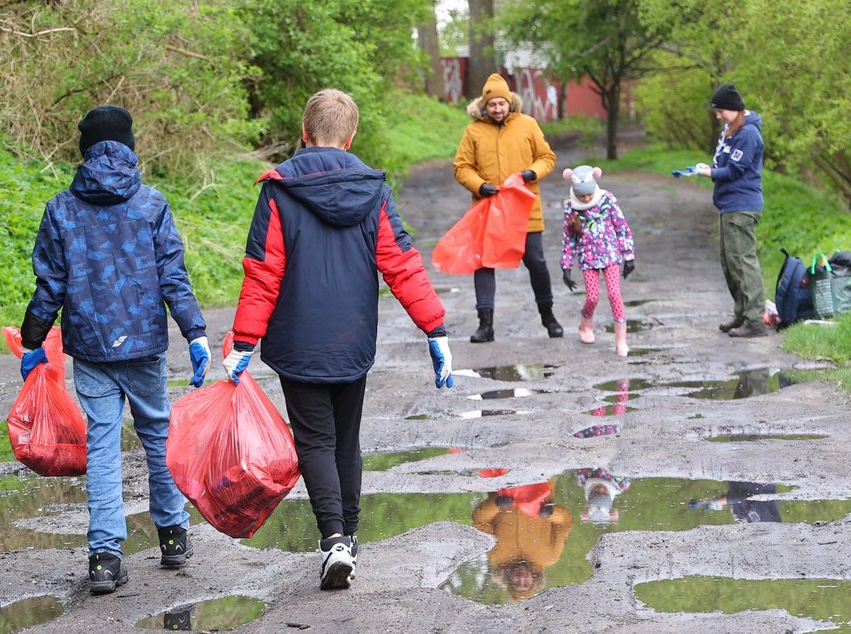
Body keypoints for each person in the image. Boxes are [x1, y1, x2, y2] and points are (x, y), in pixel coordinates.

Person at [223, 89, 454, 591]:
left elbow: (264, 272)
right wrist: (434, 330)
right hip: (352, 340)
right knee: (344, 441)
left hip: (297, 341)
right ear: (350, 138)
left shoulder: (279, 191)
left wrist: (243, 342)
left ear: (305, 133)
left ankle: (335, 540)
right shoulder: (374, 192)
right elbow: (402, 265)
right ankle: (347, 536)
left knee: (316, 441)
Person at [18, 105, 211, 594]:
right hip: (145, 346)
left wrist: (33, 340)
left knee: (102, 447)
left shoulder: (61, 208)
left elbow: (50, 285)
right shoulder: (151, 203)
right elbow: (173, 275)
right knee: (157, 437)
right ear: (130, 146)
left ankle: (105, 557)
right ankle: (171, 537)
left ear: (83, 151)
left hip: (91, 348)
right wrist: (195, 332)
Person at [454, 72, 560, 343]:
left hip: (524, 208)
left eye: (501, 103)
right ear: (484, 106)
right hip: (488, 209)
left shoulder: (528, 124)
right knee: (484, 263)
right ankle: (485, 325)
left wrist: (531, 173)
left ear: (510, 102)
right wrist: (480, 186)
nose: (497, 108)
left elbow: (546, 157)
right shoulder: (473, 131)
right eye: (492, 105)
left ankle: (548, 317)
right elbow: (462, 167)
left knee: (536, 262)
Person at [693, 83, 767, 338]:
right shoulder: (731, 130)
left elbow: (735, 170)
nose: (717, 116)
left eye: (720, 111)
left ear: (734, 108)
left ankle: (755, 320)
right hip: (728, 205)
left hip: (742, 206)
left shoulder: (748, 134)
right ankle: (742, 314)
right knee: (729, 262)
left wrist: (708, 173)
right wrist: (709, 166)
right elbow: (724, 161)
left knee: (743, 262)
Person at [559, 165, 635, 356]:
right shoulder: (572, 208)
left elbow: (621, 226)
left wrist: (628, 256)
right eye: (582, 196)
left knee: (614, 294)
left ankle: (621, 340)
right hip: (588, 257)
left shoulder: (607, 200)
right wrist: (566, 266)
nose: (586, 199)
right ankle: (585, 325)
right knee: (592, 296)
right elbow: (569, 238)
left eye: (589, 195)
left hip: (610, 255)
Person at [471, 479, 573, 601]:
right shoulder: (549, 556)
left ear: (509, 580)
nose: (521, 578)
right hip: (540, 482)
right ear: (534, 581)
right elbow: (565, 523)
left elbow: (480, 522)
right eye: (526, 584)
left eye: (516, 583)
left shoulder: (496, 555)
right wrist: (551, 512)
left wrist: (496, 504)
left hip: (504, 483)